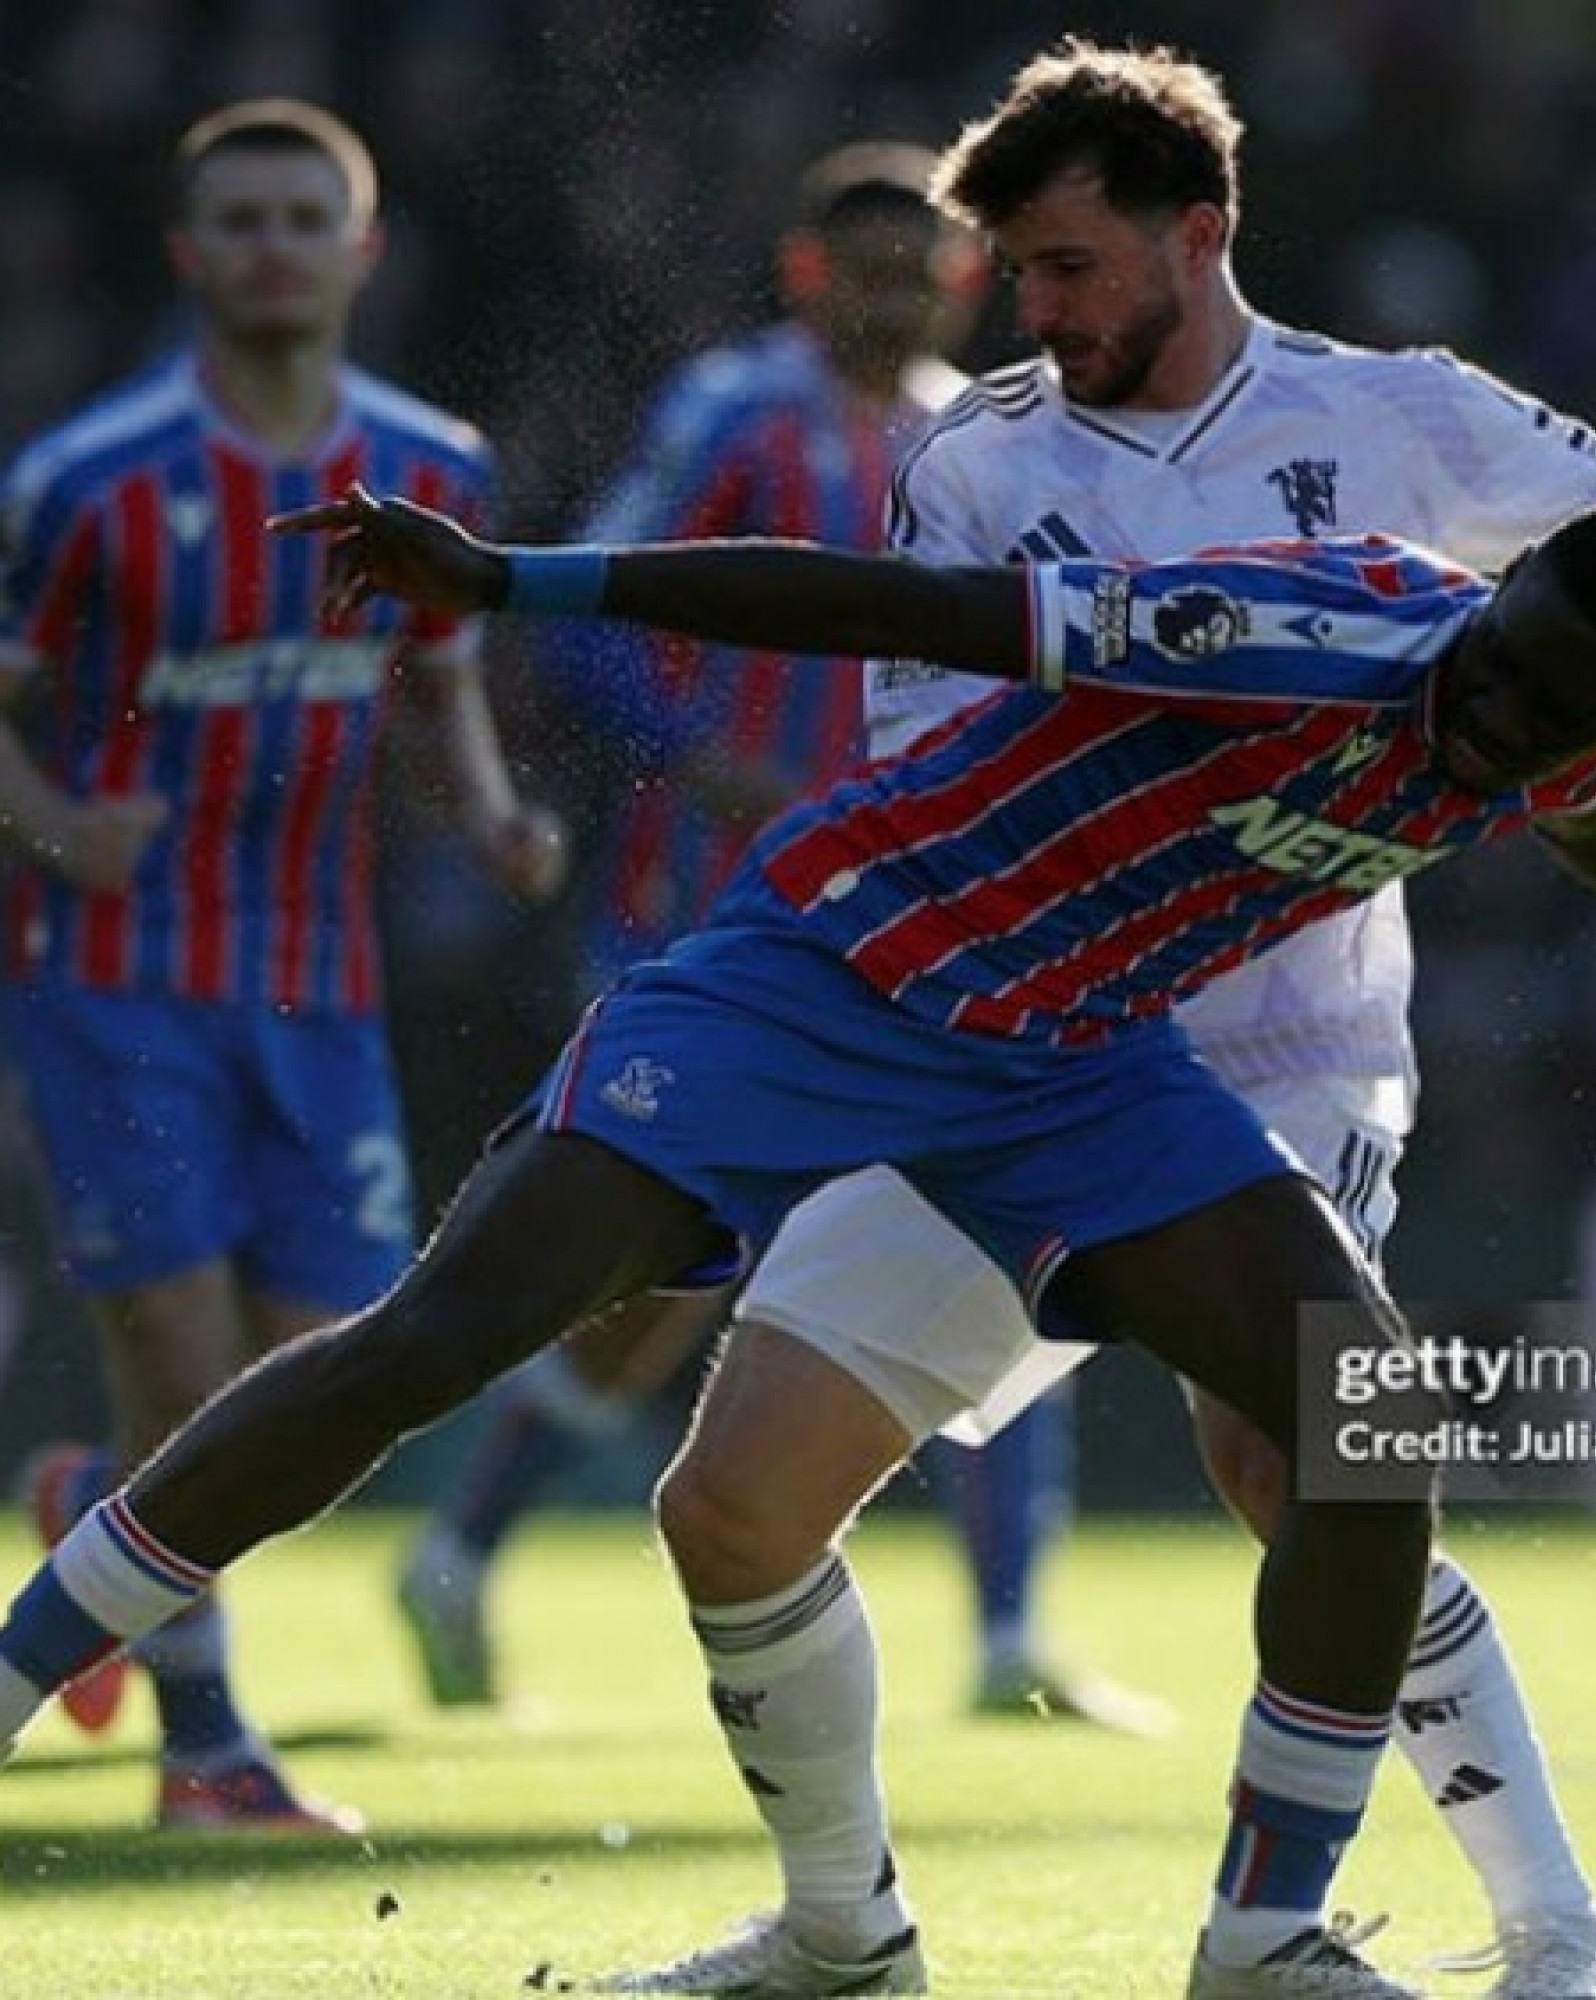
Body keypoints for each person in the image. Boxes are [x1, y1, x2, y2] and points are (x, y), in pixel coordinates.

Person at [0, 487, 1596, 2000]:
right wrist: (521, 580)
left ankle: (1261, 1939)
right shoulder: (1295, 632)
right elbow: (900, 604)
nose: (1502, 720)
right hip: (825, 971)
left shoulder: (1547, 726)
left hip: (1065, 1066)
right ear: (1498, 596)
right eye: (1504, 670)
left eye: (1560, 707)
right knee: (441, 1336)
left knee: (1364, 1422)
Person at [659, 38, 1596, 2000]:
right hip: (1021, 1049)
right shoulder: (974, 467)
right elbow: (924, 774)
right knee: (734, 1497)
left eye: (1063, 267)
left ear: (1194, 236)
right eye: (1017, 275)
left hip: (1287, 1056)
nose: (1025, 313)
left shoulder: (1401, 423)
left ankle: (1550, 1936)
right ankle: (838, 1934)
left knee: (1313, 1470)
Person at [388, 141, 1156, 1732]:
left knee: (998, 1233)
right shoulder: (736, 411)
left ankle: (1014, 1630)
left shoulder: (977, 437)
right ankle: (459, 1549)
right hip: (712, 911)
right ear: (808, 276)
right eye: (860, 269)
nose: (892, 294)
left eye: (922, 269)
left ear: (963, 281)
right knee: (659, 1281)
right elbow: (605, 602)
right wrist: (692, 750)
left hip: (933, 919)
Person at [0, 101, 565, 1832]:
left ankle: (95, 1496)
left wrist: (483, 813)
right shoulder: (89, 482)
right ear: (187, 252)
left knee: (328, 1381)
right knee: (187, 1366)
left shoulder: (430, 472)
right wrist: (49, 825)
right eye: (236, 220)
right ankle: (210, 1754)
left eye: (300, 220)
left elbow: (438, 664)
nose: (270, 247)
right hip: (110, 978)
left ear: (360, 252)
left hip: (319, 991)